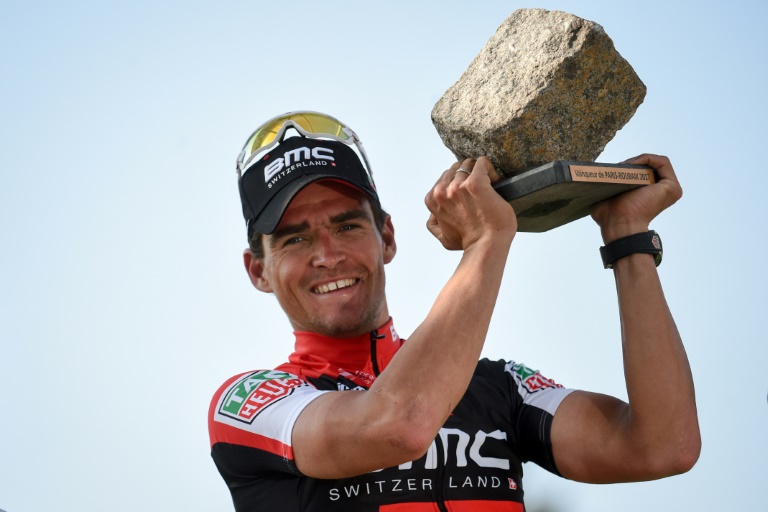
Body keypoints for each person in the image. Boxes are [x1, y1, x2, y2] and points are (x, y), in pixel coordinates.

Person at [208, 111, 700, 512]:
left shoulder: (501, 387)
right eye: (295, 239)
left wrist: (627, 236)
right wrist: (485, 240)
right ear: (258, 271)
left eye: (347, 226)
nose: (327, 255)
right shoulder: (250, 407)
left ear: (387, 238)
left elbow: (663, 446)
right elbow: (398, 426)